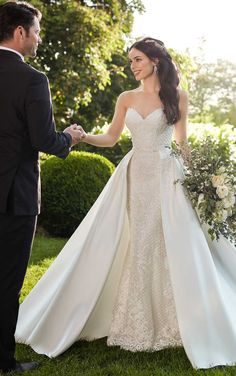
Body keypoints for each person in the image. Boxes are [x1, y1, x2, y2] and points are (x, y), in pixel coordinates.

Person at [15, 37, 236, 370]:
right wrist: (83, 136)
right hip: (134, 175)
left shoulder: (179, 97)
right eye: (131, 60)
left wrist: (204, 182)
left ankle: (176, 322)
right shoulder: (125, 98)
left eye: (137, 60)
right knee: (134, 240)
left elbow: (182, 144)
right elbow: (113, 137)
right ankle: (133, 319)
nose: (132, 66)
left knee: (169, 243)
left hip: (167, 176)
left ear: (156, 62)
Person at [0, 1, 83, 373]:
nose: (38, 38)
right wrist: (69, 137)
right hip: (14, 197)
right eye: (36, 31)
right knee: (6, 281)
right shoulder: (33, 79)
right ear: (20, 33)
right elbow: (44, 139)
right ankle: (3, 361)